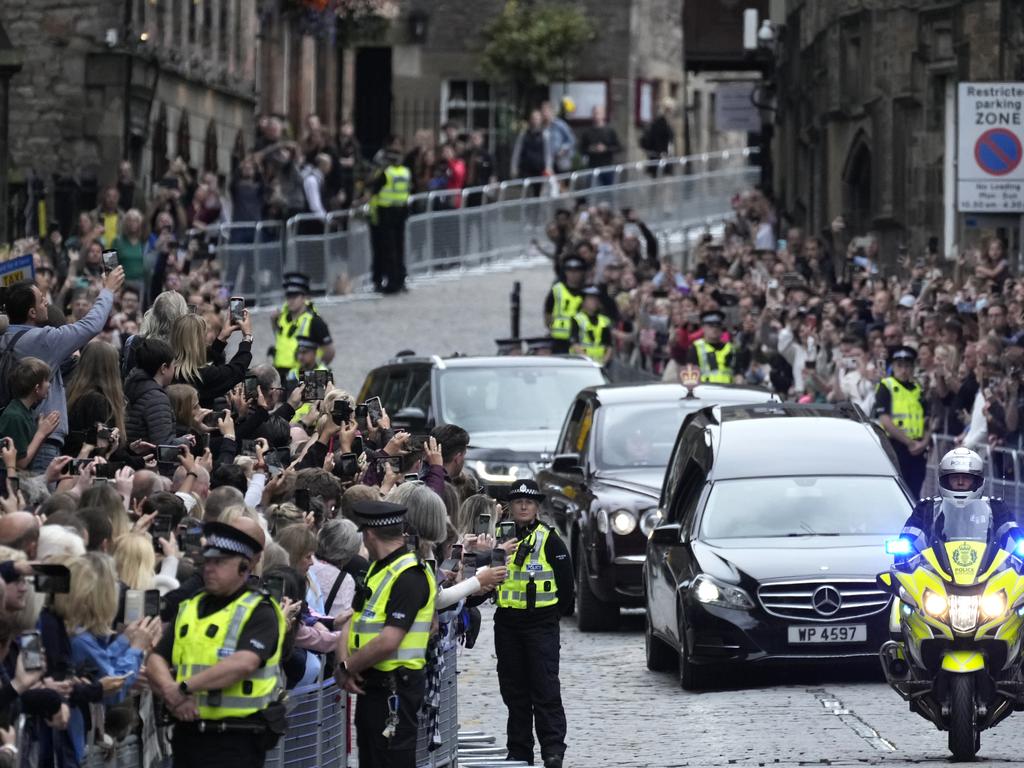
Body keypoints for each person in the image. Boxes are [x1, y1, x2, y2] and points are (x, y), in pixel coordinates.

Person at [147, 520, 286, 768]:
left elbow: (243, 664)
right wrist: (172, 693)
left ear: (244, 568)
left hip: (235, 741)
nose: (209, 569)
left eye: (219, 562)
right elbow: (157, 658)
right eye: (207, 561)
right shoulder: (191, 606)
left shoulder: (259, 610)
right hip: (187, 733)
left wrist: (183, 689)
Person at [334, 500, 435, 768]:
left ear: (368, 534)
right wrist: (345, 664)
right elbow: (351, 620)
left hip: (396, 687)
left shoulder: (410, 575)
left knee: (392, 759)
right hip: (371, 684)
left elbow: (389, 640)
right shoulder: (377, 569)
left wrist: (347, 666)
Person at [1, 268, 124, 471]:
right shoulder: (44, 340)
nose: (46, 303)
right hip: (42, 440)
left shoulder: (4, 338)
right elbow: (91, 325)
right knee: (42, 499)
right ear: (31, 313)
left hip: (11, 436)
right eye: (41, 300)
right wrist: (108, 290)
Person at [494, 480, 572, 768]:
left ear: (537, 506)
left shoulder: (550, 540)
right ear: (510, 506)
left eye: (528, 502)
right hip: (508, 625)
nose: (524, 506)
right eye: (517, 502)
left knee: (545, 689)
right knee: (514, 691)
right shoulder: (499, 539)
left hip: (540, 624)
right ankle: (519, 751)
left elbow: (567, 588)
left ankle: (553, 750)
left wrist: (551, 617)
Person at [896, 447, 1017, 557]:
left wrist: (1015, 547)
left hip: (988, 572)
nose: (960, 482)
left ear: (977, 480)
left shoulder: (996, 508)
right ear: (945, 480)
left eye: (966, 477)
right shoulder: (927, 508)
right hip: (935, 572)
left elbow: (1013, 537)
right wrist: (909, 549)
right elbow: (910, 538)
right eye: (954, 477)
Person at [874, 346, 931, 498]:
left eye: (907, 366)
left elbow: (927, 420)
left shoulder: (918, 390)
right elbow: (885, 420)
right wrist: (909, 443)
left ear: (913, 368)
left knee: (915, 492)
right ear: (892, 366)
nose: (903, 370)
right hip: (897, 447)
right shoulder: (887, 386)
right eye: (899, 366)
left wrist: (924, 442)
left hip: (918, 450)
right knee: (898, 493)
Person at [271, 273, 334, 382]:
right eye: (288, 296)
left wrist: (317, 369)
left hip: (304, 375)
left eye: (295, 296)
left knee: (309, 399)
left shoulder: (315, 321)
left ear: (304, 297)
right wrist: (273, 321)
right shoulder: (281, 317)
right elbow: (281, 341)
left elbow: (329, 351)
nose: (291, 300)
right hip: (281, 375)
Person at [368, 139, 412, 294]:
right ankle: (400, 280)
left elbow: (373, 190)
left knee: (388, 250)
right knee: (399, 249)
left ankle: (392, 282)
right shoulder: (405, 172)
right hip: (401, 211)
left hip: (385, 213)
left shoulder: (386, 173)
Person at [0, 357, 60, 470]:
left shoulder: (25, 412)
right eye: (46, 380)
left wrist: (42, 432)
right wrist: (40, 434)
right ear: (37, 388)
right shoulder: (15, 416)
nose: (49, 385)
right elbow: (20, 463)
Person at [543, 256, 586, 354]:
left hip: (579, 338)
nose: (573, 274)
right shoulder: (557, 290)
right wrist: (551, 327)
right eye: (570, 271)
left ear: (582, 273)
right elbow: (547, 312)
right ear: (566, 272)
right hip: (559, 338)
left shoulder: (585, 292)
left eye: (576, 271)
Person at [686, 311, 734, 384]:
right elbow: (690, 374)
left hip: (728, 389)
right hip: (704, 390)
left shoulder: (730, 347)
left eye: (718, 325)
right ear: (703, 327)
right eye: (710, 326)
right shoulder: (696, 347)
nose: (714, 329)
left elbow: (737, 371)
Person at [570, 286, 613, 365]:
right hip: (581, 363)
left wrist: (603, 362)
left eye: (595, 299)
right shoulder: (577, 319)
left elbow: (609, 346)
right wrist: (588, 361)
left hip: (600, 364)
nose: (594, 302)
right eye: (590, 299)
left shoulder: (604, 321)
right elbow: (575, 344)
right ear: (583, 301)